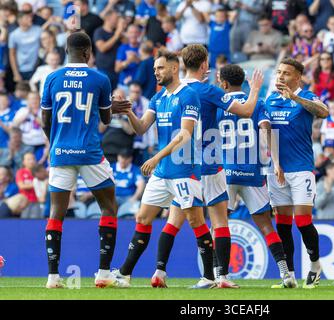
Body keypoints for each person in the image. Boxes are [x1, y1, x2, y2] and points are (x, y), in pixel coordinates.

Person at [145, 45, 264, 289]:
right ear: (203, 65)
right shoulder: (209, 90)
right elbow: (247, 111)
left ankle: (160, 270)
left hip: (183, 167)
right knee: (219, 221)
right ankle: (220, 276)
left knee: (173, 221)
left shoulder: (174, 91)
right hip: (209, 166)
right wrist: (255, 90)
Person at [111, 50, 214, 289]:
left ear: (174, 68)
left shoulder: (188, 96)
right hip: (162, 172)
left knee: (196, 221)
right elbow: (141, 128)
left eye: (160, 68)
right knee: (143, 217)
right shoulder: (158, 98)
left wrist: (156, 157)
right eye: (155, 69)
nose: (156, 72)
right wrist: (128, 112)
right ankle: (125, 274)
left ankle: (209, 277)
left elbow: (185, 134)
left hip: (184, 170)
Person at [40, 31, 132, 289]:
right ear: (88, 52)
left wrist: (56, 141)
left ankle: (53, 277)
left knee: (57, 213)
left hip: (61, 153)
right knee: (109, 207)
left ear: (66, 51)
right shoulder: (100, 79)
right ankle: (103, 273)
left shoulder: (52, 78)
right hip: (90, 153)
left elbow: (46, 121)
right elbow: (104, 119)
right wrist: (112, 108)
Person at [215, 64, 294, 287]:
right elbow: (268, 130)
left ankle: (220, 274)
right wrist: (276, 162)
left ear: (224, 84)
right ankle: (285, 273)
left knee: (219, 223)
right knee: (266, 225)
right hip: (254, 173)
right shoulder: (257, 103)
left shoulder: (219, 105)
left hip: (226, 173)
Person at [265, 57, 329, 288]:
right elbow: (268, 132)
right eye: (279, 72)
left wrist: (296, 98)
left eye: (287, 73)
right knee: (283, 224)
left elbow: (324, 112)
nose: (281, 76)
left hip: (301, 168)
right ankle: (289, 275)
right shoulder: (270, 99)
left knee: (302, 221)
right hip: (277, 170)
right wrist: (274, 162)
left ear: (298, 77)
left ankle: (315, 265)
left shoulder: (307, 96)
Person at [12, 91, 48, 164]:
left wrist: (34, 115)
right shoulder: (22, 110)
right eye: (31, 99)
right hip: (25, 143)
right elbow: (14, 125)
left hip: (40, 143)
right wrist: (26, 114)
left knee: (39, 165)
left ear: (40, 100)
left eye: (36, 99)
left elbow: (45, 126)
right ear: (28, 100)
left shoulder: (44, 112)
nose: (34, 101)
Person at [93, 9, 125, 90]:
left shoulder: (118, 33)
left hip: (116, 71)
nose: (117, 20)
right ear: (108, 18)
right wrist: (116, 35)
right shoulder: (99, 31)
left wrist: (121, 29)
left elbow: (128, 42)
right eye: (116, 18)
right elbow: (102, 48)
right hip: (103, 70)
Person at [8, 10, 41, 82]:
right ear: (20, 20)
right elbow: (12, 55)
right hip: (21, 70)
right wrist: (16, 73)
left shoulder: (38, 30)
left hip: (36, 68)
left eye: (30, 17)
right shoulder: (13, 35)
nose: (30, 19)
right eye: (27, 18)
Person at [115, 24, 141, 92]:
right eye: (131, 32)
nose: (133, 35)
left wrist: (136, 59)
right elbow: (117, 69)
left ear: (139, 34)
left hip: (139, 86)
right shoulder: (123, 48)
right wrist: (128, 61)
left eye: (136, 32)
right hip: (124, 85)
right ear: (127, 34)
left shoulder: (143, 47)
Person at [15, 152, 40, 218]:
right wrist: (37, 184)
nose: (31, 161)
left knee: (36, 222)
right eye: (28, 159)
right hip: (25, 202)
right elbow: (21, 186)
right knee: (25, 222)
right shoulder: (20, 172)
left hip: (37, 202)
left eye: (33, 159)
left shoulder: (39, 172)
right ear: (23, 162)